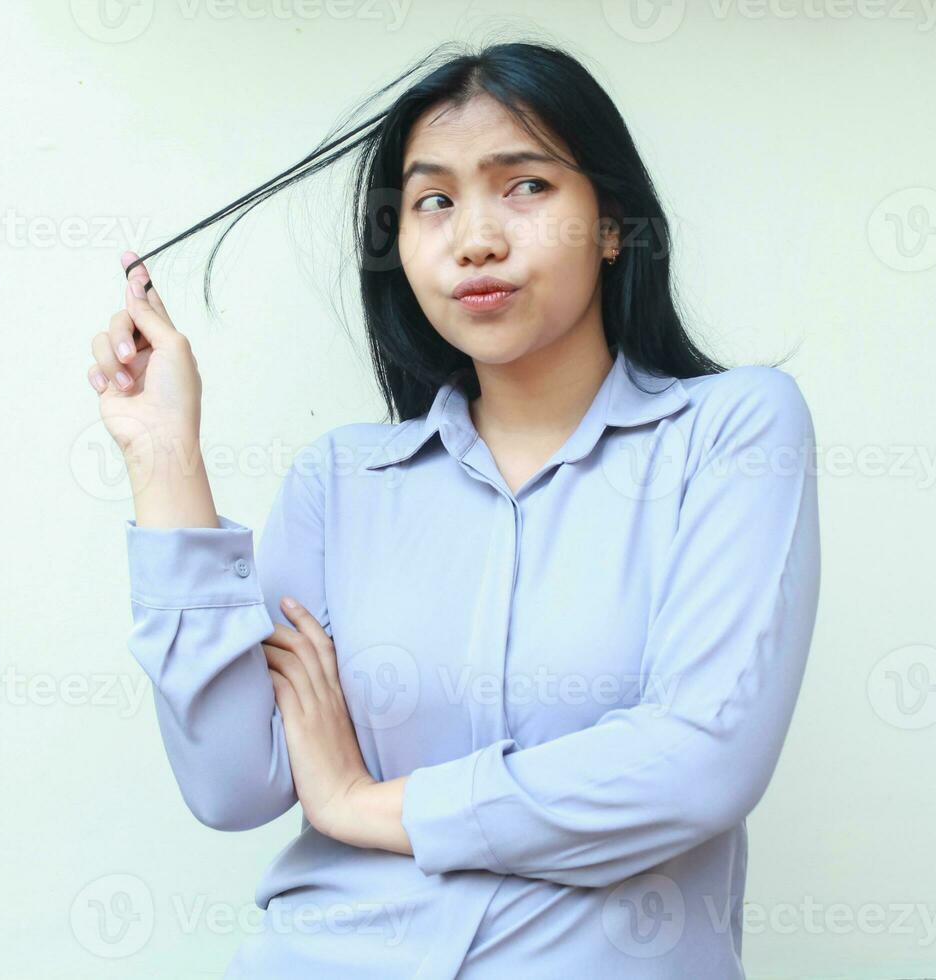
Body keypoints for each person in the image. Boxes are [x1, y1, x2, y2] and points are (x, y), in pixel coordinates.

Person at [85, 40, 821, 980]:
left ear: (612, 224)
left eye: (525, 187)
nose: (475, 237)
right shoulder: (343, 480)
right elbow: (235, 784)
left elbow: (695, 765)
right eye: (433, 201)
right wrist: (165, 460)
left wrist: (362, 805)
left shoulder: (732, 432)